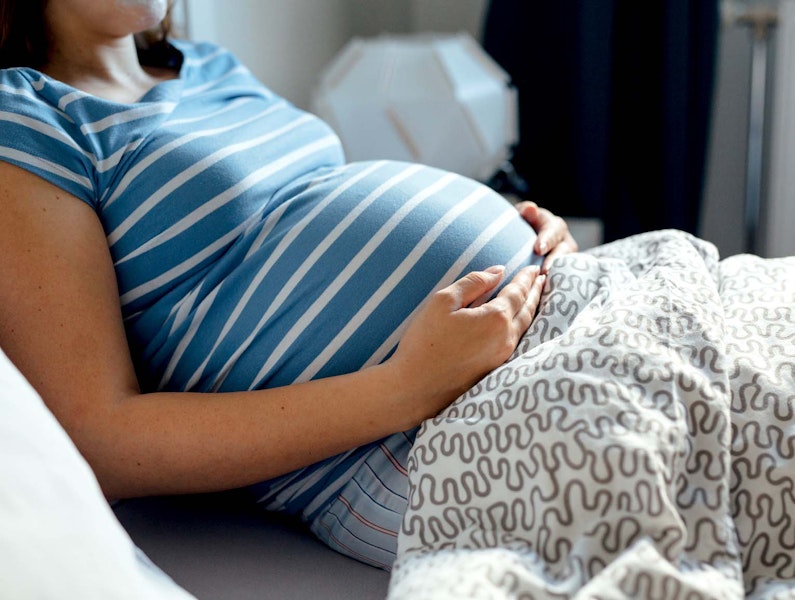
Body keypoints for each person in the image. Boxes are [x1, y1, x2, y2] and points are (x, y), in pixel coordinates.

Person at [0, 0, 577, 569]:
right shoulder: (26, 118)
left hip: (533, 325)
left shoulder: (209, 64)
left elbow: (317, 209)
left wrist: (523, 233)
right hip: (394, 444)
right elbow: (96, 438)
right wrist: (404, 389)